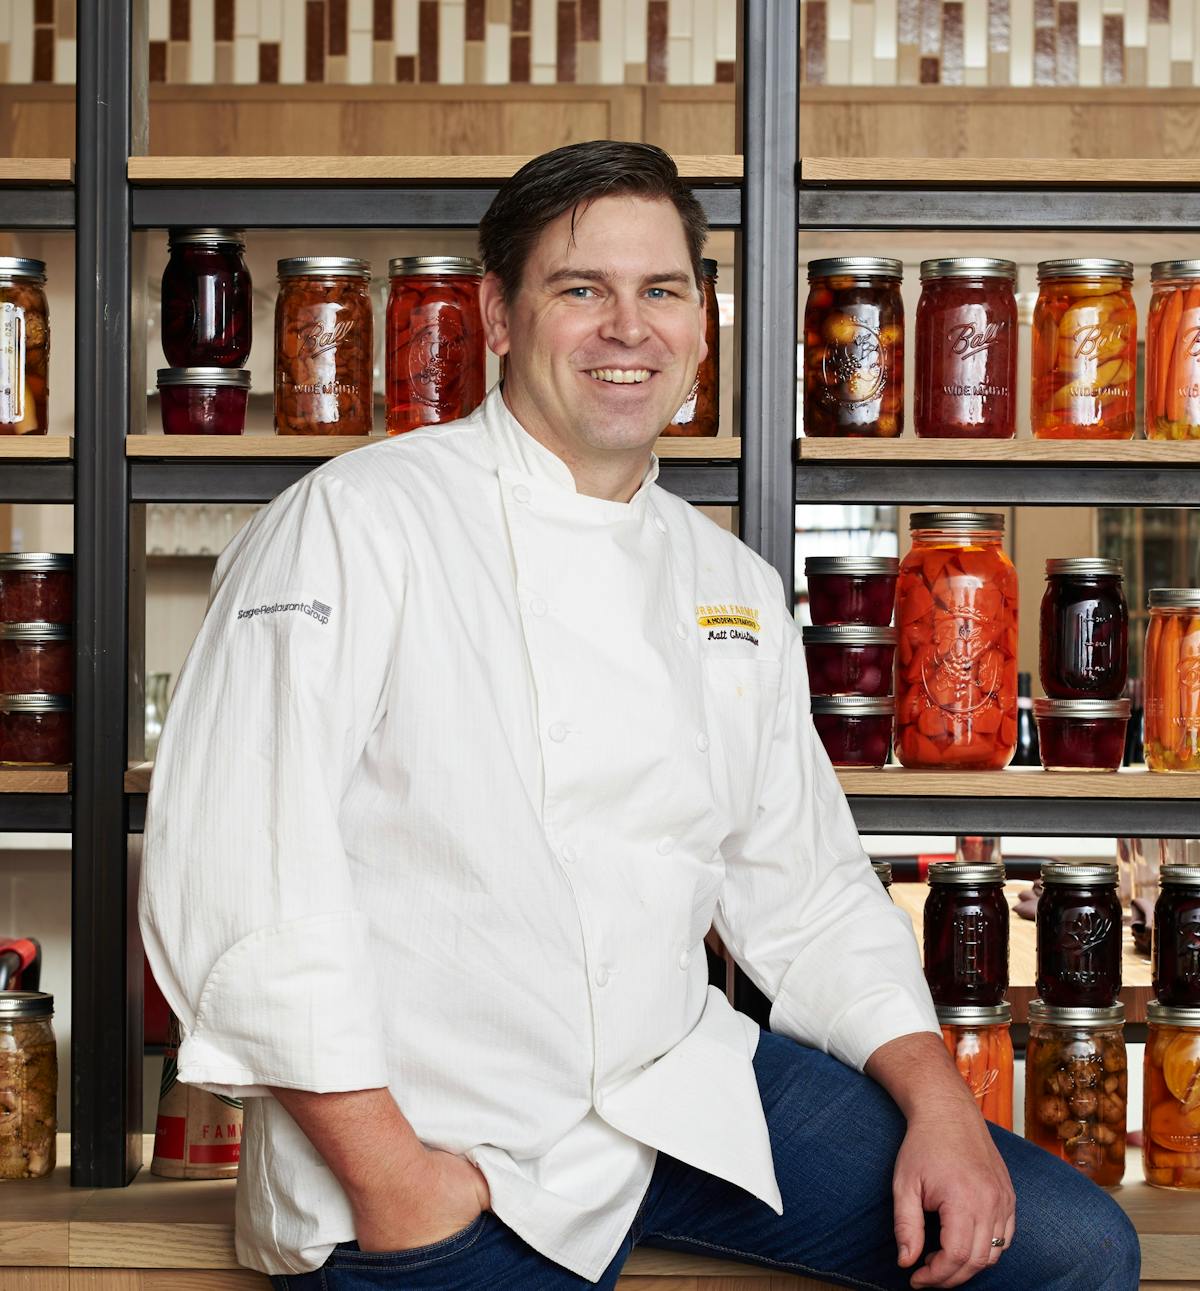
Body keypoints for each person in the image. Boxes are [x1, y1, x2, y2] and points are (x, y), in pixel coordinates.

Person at [139, 141, 1140, 1291]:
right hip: (437, 1134)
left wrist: (941, 1106)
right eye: (581, 290)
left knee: (1069, 1251)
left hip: (670, 1090)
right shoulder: (357, 522)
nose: (629, 328)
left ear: (702, 323)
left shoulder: (729, 583)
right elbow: (241, 873)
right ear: (497, 316)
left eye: (660, 290)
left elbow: (805, 888)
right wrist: (391, 1178)